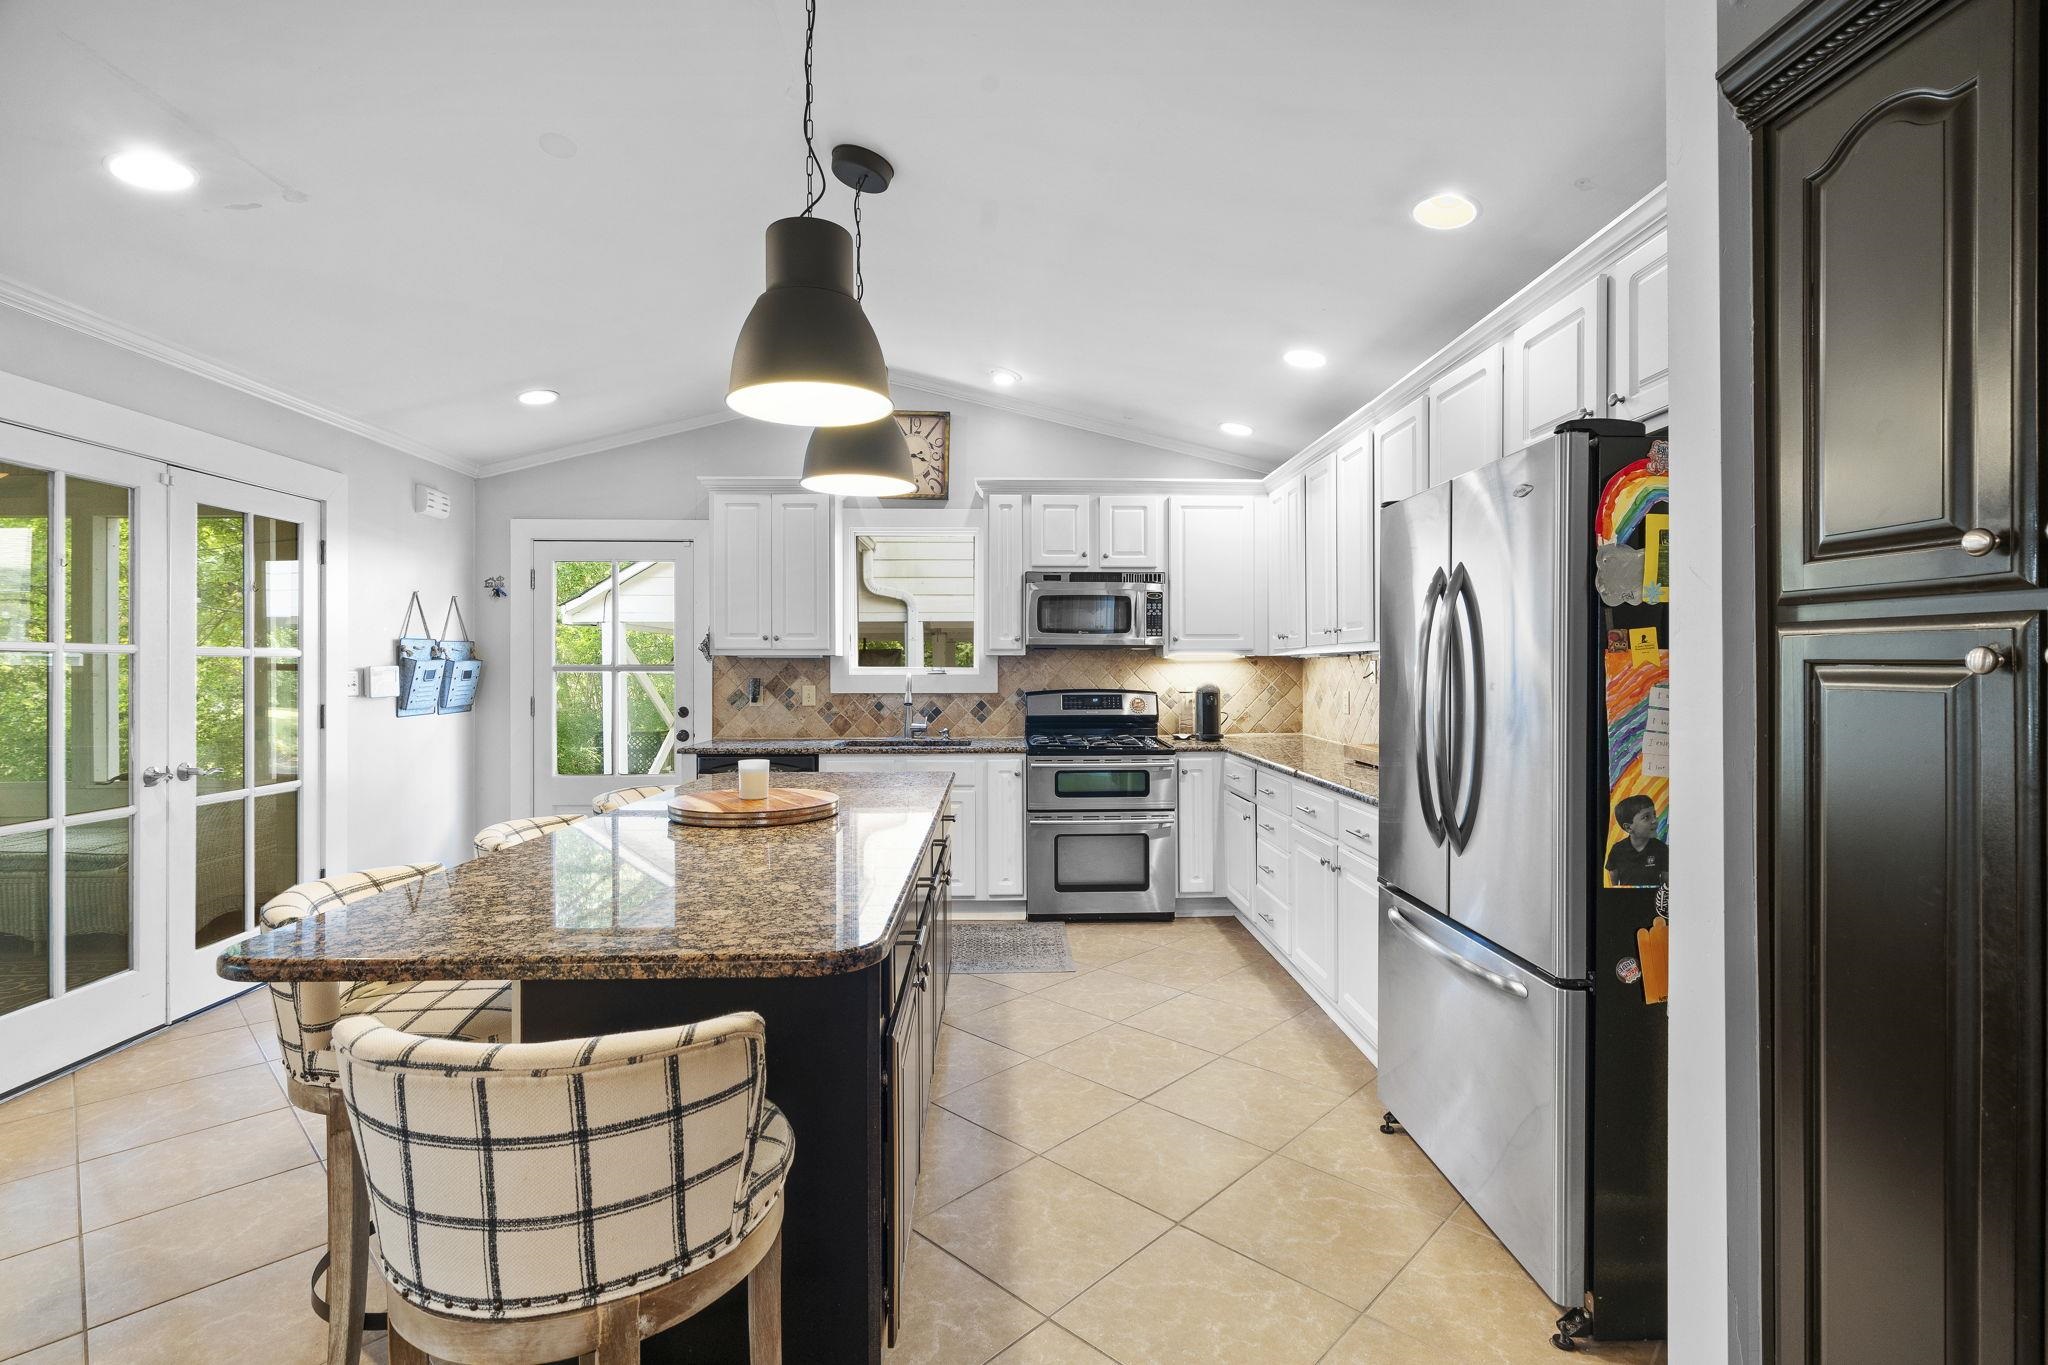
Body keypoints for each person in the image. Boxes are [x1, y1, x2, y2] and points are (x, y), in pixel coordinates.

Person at [1605, 793, 1668, 887]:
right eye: (1646, 817)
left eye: (1654, 814)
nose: (1654, 820)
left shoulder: (1661, 848)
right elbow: (1613, 882)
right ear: (1628, 828)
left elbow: (1666, 883)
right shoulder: (1617, 850)